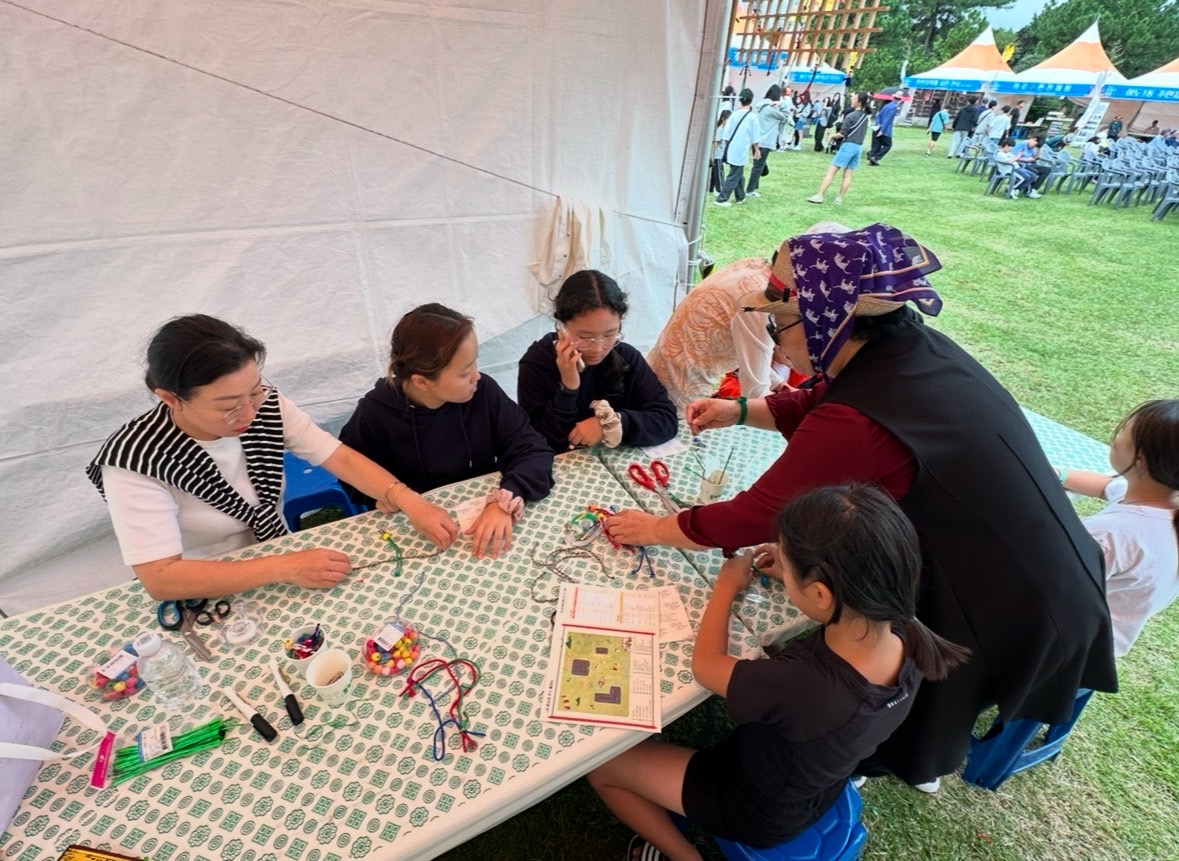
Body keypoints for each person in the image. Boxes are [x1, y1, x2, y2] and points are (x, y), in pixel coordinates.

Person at [606, 223, 1118, 791]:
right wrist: (743, 410)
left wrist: (654, 526)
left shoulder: (862, 416)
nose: (775, 339)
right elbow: (824, 397)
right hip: (1047, 559)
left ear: (831, 321)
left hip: (1017, 590)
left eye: (782, 322)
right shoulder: (906, 348)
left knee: (934, 683)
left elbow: (760, 513)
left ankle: (889, 757)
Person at [588, 485, 969, 860]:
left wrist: (726, 586)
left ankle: (685, 856)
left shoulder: (801, 687)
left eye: (787, 567)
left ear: (822, 595)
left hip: (752, 807)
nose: (780, 568)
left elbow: (706, 667)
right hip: (815, 788)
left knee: (602, 765)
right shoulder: (908, 634)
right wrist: (798, 570)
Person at [86, 315, 459, 600]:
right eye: (229, 407)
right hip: (203, 580)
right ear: (170, 398)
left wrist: (405, 497)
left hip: (275, 554)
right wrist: (284, 566)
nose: (249, 413)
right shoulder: (134, 461)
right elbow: (161, 577)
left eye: (254, 392)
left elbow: (338, 457)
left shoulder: (265, 404)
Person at [339, 304, 554, 559]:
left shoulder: (483, 392)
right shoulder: (376, 413)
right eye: (465, 372)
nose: (477, 376)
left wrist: (505, 499)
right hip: (416, 533)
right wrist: (379, 496)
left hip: (480, 519)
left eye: (475, 364)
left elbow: (533, 448)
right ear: (421, 381)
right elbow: (350, 472)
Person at [646, 222, 849, 410]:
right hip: (678, 393)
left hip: (660, 373)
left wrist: (782, 387)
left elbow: (751, 359)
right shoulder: (763, 301)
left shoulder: (753, 268)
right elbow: (755, 394)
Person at [1058, 400, 1179, 657]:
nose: (1117, 433)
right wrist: (1055, 473)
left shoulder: (1110, 535)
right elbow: (1105, 485)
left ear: (1141, 459)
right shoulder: (1164, 501)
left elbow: (1052, 584)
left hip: (1064, 649)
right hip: (1100, 655)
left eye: (1125, 430)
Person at [518, 270, 677, 453]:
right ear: (562, 327)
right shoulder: (536, 364)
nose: (598, 348)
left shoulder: (625, 357)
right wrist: (568, 388)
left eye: (610, 334)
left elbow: (666, 420)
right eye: (585, 337)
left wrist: (612, 424)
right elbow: (539, 442)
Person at [807, 91, 871, 205]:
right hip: (858, 147)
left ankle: (820, 195)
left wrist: (831, 136)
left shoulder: (851, 116)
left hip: (848, 146)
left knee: (831, 172)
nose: (852, 100)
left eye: (854, 98)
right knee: (847, 174)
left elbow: (842, 133)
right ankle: (839, 198)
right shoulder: (866, 116)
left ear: (859, 101)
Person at [713, 88, 760, 207]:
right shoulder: (752, 117)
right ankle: (722, 199)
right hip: (741, 148)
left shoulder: (734, 114)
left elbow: (726, 134)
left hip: (731, 146)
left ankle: (740, 196)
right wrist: (757, 149)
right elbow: (755, 136)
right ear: (751, 101)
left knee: (737, 171)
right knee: (734, 174)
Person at [746, 85, 791, 199]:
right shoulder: (771, 110)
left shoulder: (760, 106)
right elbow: (786, 116)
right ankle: (750, 190)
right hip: (765, 142)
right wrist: (781, 104)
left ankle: (753, 187)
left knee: (758, 165)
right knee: (758, 167)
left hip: (756, 140)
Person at [866, 95, 897, 166]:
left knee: (877, 144)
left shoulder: (885, 106)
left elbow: (878, 116)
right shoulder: (894, 107)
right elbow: (888, 120)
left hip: (878, 127)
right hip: (885, 130)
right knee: (888, 145)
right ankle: (875, 157)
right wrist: (882, 130)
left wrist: (878, 125)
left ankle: (871, 157)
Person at [709, 109, 731, 194]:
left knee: (715, 173)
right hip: (717, 155)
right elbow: (715, 142)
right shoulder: (720, 130)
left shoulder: (722, 129)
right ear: (723, 119)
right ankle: (719, 189)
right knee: (719, 173)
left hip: (718, 154)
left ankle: (711, 188)